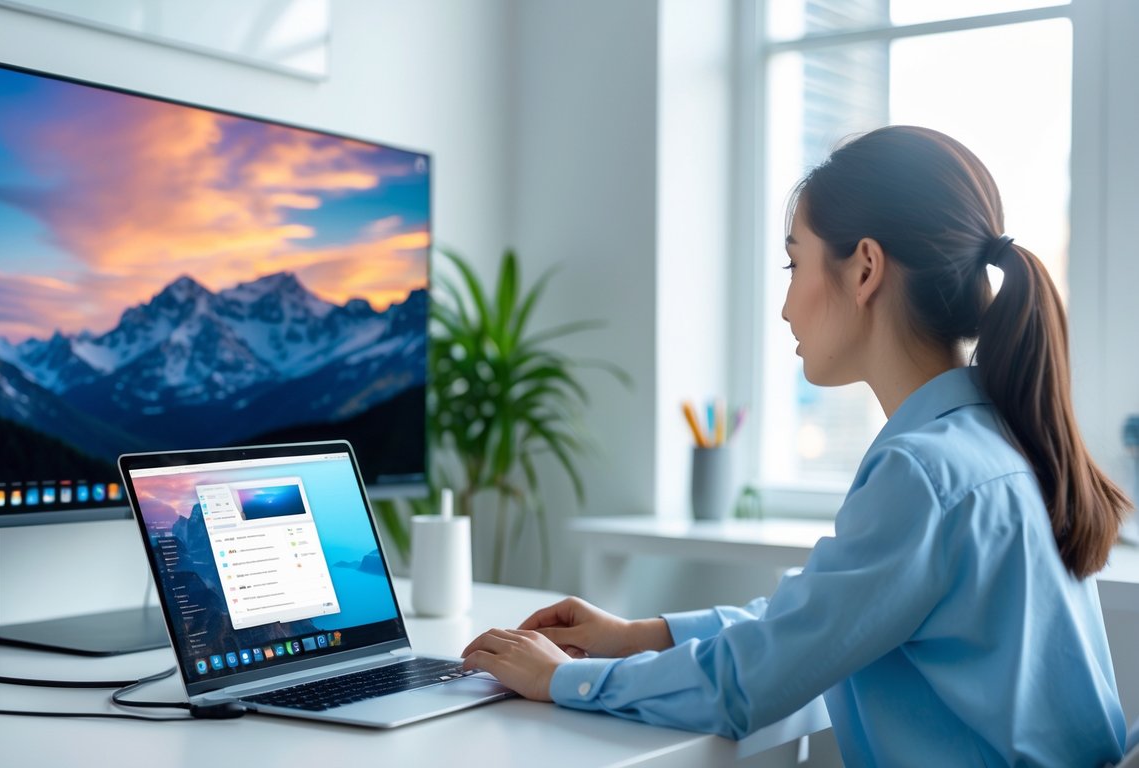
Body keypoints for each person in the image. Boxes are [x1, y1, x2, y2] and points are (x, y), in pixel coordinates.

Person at [460, 126, 1133, 766]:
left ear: (865, 268)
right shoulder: (989, 438)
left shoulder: (921, 473)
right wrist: (642, 635)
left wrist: (561, 681)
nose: (784, 306)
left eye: (793, 262)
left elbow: (746, 685)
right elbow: (820, 616)